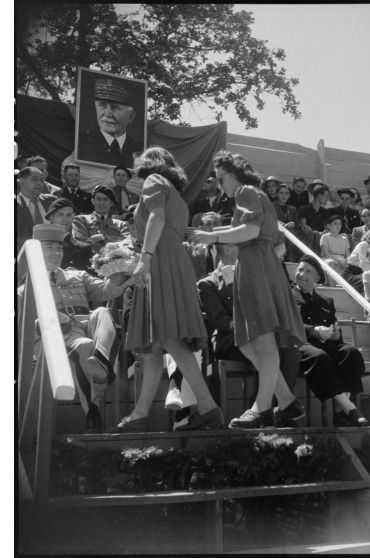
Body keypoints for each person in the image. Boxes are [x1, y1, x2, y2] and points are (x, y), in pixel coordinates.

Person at [191, 150, 306, 429]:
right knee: (247, 341)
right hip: (262, 265)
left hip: (255, 267)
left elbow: (251, 231)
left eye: (221, 178)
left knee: (262, 340)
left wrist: (213, 235)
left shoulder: (245, 191)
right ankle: (288, 402)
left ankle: (262, 408)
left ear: (234, 173)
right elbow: (279, 245)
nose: (221, 185)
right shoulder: (260, 195)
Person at [114, 146, 221, 431]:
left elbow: (156, 218)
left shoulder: (153, 182)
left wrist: (145, 258)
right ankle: (140, 412)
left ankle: (208, 406)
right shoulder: (175, 192)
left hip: (160, 261)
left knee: (168, 336)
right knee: (155, 344)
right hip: (172, 261)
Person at [20, 224, 134, 432]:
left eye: (59, 248)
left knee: (102, 313)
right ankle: (94, 412)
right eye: (49, 248)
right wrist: (43, 322)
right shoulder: (24, 289)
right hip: (48, 342)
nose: (56, 253)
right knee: (84, 345)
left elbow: (108, 291)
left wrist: (119, 267)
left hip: (80, 334)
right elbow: (18, 330)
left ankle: (101, 363)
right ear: (36, 252)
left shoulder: (78, 276)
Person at [196, 243, 301, 426]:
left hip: (255, 333)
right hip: (229, 339)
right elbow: (220, 321)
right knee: (261, 347)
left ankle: (280, 408)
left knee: (287, 350)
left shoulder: (251, 274)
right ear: (228, 248)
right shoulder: (207, 283)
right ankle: (269, 407)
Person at [293, 256, 367, 426]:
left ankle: (340, 412)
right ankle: (350, 408)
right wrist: (313, 331)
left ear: (317, 278)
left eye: (308, 271)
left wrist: (335, 335)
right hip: (300, 344)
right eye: (300, 269)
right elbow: (289, 325)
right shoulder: (288, 296)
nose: (302, 274)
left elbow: (335, 331)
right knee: (321, 357)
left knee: (351, 353)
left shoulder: (326, 301)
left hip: (326, 345)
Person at [78, 77, 143, 168]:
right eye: (102, 105)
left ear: (131, 116)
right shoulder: (81, 142)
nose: (108, 114)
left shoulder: (139, 151)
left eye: (115, 107)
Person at [72, 184, 130, 252]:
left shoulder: (121, 225)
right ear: (92, 201)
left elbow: (126, 244)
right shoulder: (80, 220)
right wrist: (114, 240)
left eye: (105, 199)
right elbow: (81, 242)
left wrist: (101, 238)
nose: (102, 203)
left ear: (111, 203)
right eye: (98, 199)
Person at [45, 198, 94, 271]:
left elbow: (93, 274)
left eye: (69, 215)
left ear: (73, 218)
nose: (65, 219)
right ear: (51, 217)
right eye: (61, 214)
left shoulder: (84, 249)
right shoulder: (39, 245)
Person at [16, 166, 57, 252]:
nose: (39, 183)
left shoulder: (52, 201)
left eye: (41, 180)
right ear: (22, 182)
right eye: (34, 179)